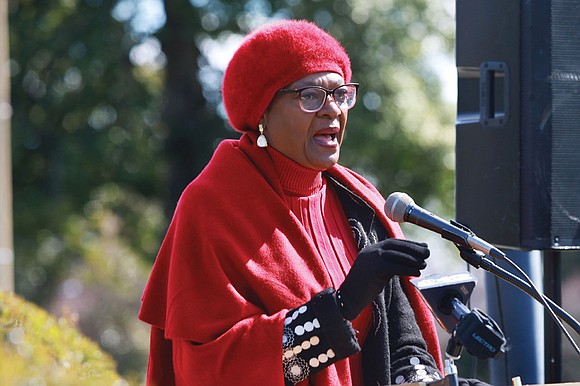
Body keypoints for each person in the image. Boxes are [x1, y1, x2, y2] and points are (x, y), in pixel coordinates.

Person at [139, 19, 481, 386]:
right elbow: (212, 371)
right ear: (262, 113)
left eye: (341, 94)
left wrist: (438, 384)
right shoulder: (211, 205)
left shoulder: (361, 203)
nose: (332, 109)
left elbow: (403, 348)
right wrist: (342, 306)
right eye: (311, 96)